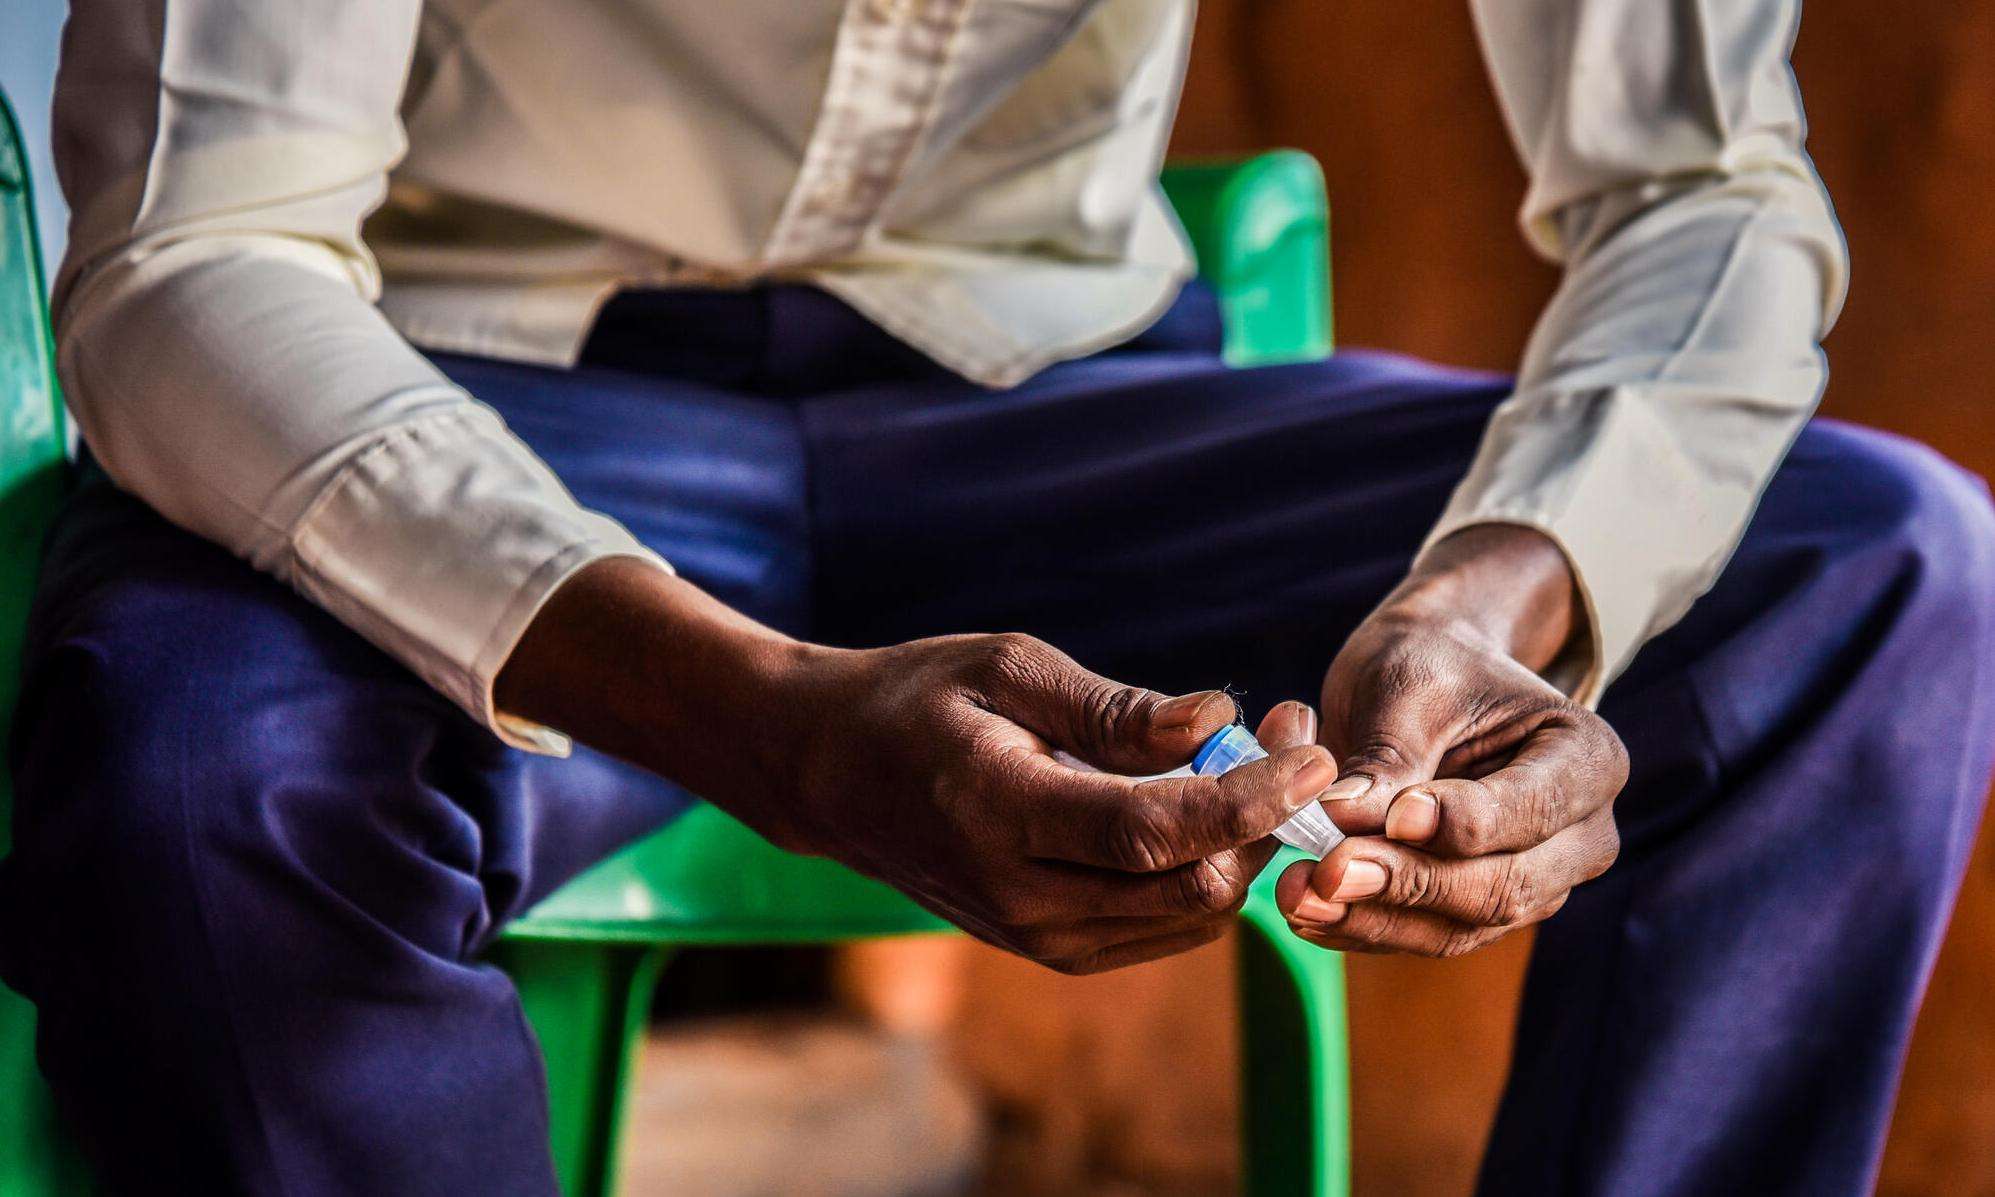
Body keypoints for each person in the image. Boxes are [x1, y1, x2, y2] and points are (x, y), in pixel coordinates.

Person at [1, 1, 1988, 1193]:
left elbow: (1704, 189)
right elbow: (191, 253)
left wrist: (1494, 590)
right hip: (464, 394)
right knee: (198, 766)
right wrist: (758, 712)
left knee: (1868, 569)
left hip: (1076, 400)